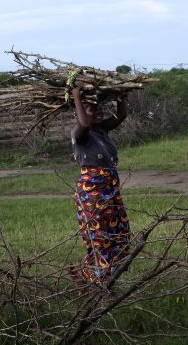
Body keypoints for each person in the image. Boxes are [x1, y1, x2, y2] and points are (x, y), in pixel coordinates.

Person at [69, 86, 131, 287]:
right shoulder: (80, 134)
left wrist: (120, 96)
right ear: (78, 113)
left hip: (111, 191)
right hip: (92, 195)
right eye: (91, 109)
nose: (98, 112)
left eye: (99, 108)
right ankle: (97, 282)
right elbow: (84, 123)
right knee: (99, 239)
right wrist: (76, 96)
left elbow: (121, 115)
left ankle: (89, 275)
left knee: (118, 236)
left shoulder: (102, 130)